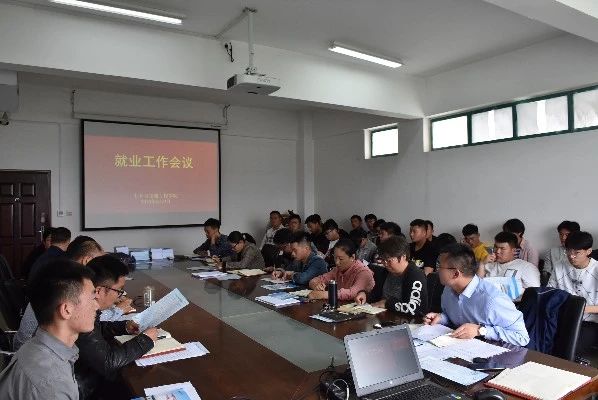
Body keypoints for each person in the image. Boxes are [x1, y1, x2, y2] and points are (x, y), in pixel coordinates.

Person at [0, 259, 98, 400]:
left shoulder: (36, 345)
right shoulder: (53, 386)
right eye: (92, 298)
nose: (96, 306)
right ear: (66, 310)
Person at [76, 255, 156, 399]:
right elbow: (108, 362)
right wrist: (146, 340)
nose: (119, 296)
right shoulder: (82, 314)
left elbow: (98, 328)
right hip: (87, 389)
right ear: (99, 291)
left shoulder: (83, 302)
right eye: (119, 291)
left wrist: (125, 326)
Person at [424, 244, 529, 346]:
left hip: (491, 352)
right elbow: (458, 317)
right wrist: (441, 318)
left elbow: (521, 337)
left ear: (456, 274)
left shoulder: (492, 299)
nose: (437, 270)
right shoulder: (449, 288)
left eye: (439, 266)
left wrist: (480, 330)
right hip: (459, 347)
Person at [14, 238, 104, 351]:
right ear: (87, 260)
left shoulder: (58, 274)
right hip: (34, 348)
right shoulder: (62, 282)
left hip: (33, 347)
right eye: (99, 263)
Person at [548, 231, 598, 356]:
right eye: (568, 251)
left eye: (577, 253)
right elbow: (550, 292)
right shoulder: (560, 266)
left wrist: (579, 309)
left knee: (568, 350)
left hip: (588, 321)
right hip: (561, 317)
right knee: (544, 343)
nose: (571, 256)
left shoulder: (596, 270)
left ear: (588, 251)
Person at [355, 236, 428, 317]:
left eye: (389, 260)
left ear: (403, 257)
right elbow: (376, 296)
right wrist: (365, 294)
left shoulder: (415, 276)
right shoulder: (385, 272)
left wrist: (387, 303)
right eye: (383, 260)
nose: (385, 264)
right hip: (382, 315)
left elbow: (416, 309)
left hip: (404, 319)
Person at [308, 239, 374, 301]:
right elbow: (315, 280)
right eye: (335, 258)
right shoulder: (337, 269)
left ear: (352, 257)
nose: (337, 262)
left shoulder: (363, 272)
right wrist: (316, 285)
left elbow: (353, 293)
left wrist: (324, 294)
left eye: (341, 259)